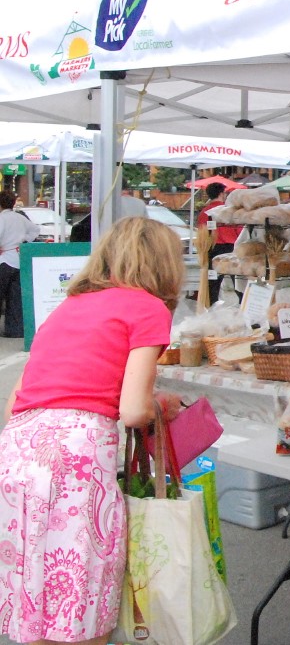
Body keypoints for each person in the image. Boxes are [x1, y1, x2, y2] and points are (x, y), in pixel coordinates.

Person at [0, 217, 184, 644]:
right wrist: (163, 404)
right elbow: (135, 410)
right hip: (75, 456)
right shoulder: (147, 308)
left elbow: (17, 399)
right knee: (83, 596)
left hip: (19, 449)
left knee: (38, 593)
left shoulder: (70, 306)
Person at [0, 190, 39, 338]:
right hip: (18, 258)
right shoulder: (20, 218)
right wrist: (23, 240)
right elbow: (35, 230)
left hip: (4, 260)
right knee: (15, 298)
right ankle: (14, 329)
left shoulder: (2, 219)